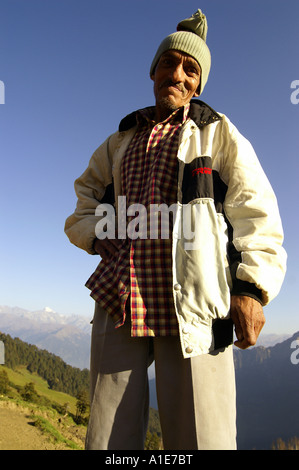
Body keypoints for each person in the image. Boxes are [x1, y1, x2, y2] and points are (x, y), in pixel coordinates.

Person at [64, 9, 287, 450]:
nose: (177, 74)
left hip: (196, 304)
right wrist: (98, 233)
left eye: (190, 68)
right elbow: (83, 204)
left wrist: (252, 290)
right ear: (153, 71)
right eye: (168, 62)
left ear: (199, 84)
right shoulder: (119, 141)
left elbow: (256, 212)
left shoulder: (216, 133)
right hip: (119, 296)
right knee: (108, 436)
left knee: (203, 437)